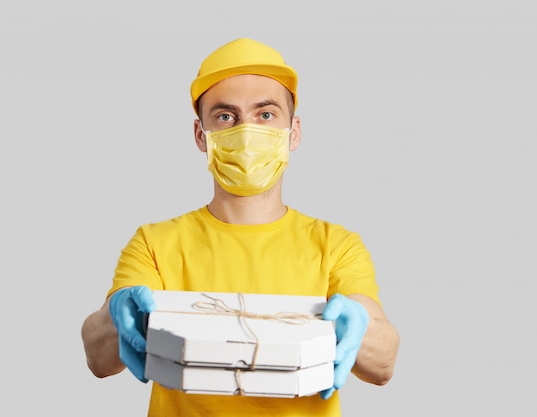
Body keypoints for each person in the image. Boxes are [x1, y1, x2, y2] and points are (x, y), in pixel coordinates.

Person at [81, 37, 400, 417]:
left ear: (293, 132)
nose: (246, 131)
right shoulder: (155, 243)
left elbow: (383, 363)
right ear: (202, 136)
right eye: (225, 117)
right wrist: (115, 317)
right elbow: (99, 359)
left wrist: (361, 327)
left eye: (265, 115)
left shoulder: (335, 245)